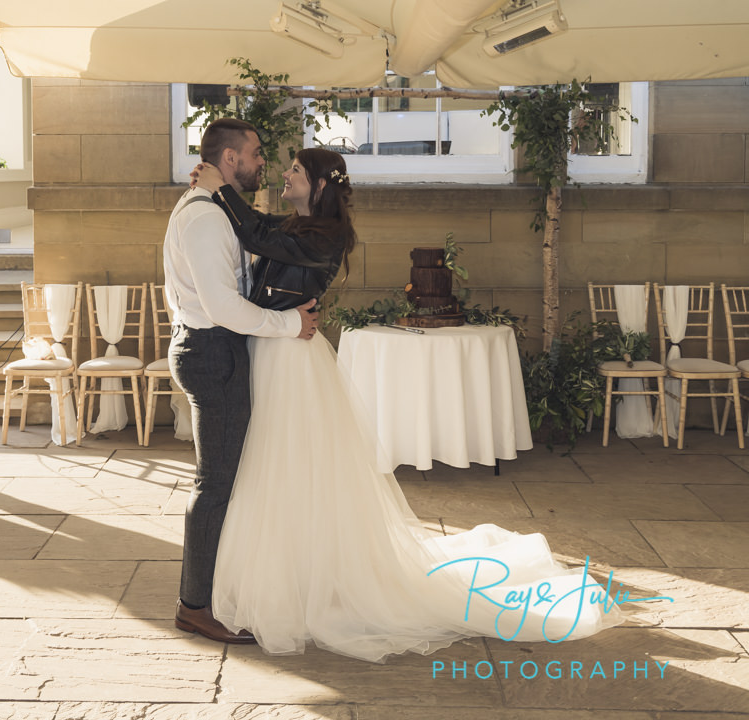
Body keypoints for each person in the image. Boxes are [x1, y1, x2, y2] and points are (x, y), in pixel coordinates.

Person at [192, 147, 623, 662]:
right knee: (267, 465)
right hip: (270, 345)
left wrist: (219, 187)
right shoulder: (295, 223)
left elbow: (258, 235)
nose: (285, 175)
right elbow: (260, 232)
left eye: (296, 171)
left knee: (287, 462)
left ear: (322, 185)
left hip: (290, 357)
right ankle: (280, 568)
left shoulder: (328, 236)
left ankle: (304, 579)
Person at [163, 118, 320, 644]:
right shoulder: (205, 218)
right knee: (216, 483)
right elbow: (223, 305)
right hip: (213, 352)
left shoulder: (213, 209)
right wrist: (289, 325)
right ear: (230, 160)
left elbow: (259, 234)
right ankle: (194, 605)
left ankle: (219, 589)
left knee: (225, 479)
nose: (262, 164)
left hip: (211, 347)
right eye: (255, 154)